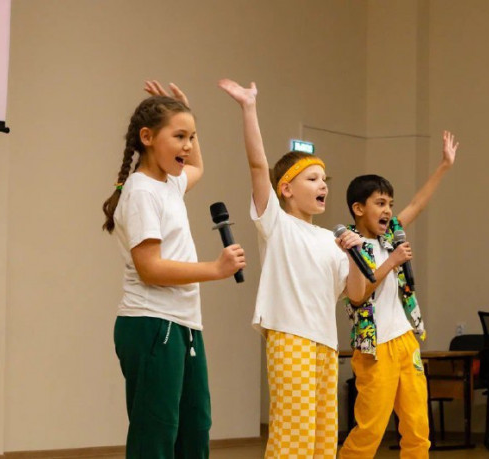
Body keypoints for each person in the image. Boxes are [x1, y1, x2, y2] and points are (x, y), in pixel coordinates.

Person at [219, 78, 366, 458]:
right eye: (312, 179)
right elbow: (258, 165)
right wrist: (249, 108)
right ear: (285, 188)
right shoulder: (276, 224)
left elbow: (355, 294)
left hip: (326, 344)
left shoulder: (332, 240)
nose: (323, 186)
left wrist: (353, 256)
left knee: (322, 440)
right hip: (290, 337)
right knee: (293, 436)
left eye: (324, 180)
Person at [102, 81, 247, 458]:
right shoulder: (141, 192)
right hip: (152, 323)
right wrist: (215, 269)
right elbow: (150, 269)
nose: (187, 146)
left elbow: (196, 166)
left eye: (192, 137)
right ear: (147, 137)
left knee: (194, 429)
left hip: (183, 324)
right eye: (179, 136)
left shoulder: (169, 185)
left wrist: (185, 109)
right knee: (156, 435)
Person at [338, 131, 458, 458]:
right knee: (370, 429)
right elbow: (357, 296)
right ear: (358, 208)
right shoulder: (348, 246)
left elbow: (417, 204)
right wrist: (391, 262)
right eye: (380, 203)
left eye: (390, 204)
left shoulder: (390, 235)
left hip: (405, 340)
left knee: (418, 426)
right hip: (374, 348)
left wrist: (444, 166)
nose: (388, 210)